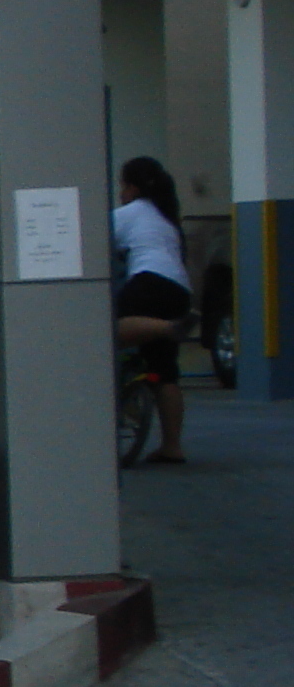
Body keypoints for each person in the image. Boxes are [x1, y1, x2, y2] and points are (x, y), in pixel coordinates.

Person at [112, 155, 191, 463]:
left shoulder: (131, 212)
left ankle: (168, 328)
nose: (121, 192)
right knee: (165, 374)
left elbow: (92, 242)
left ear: (131, 187)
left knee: (104, 330)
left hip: (149, 283)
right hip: (179, 290)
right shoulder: (166, 217)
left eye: (122, 186)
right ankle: (172, 447)